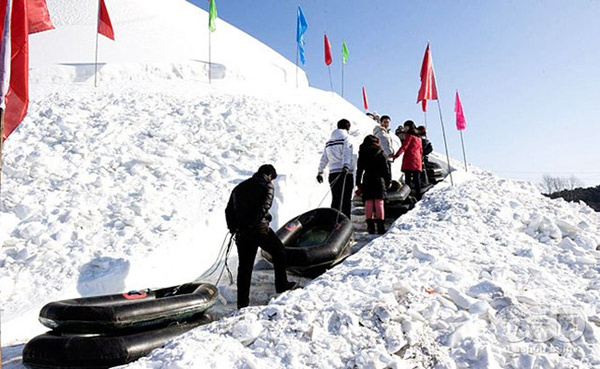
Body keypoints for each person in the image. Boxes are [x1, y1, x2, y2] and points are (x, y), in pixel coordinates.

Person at [225, 164, 295, 309]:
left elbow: (228, 210)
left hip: (242, 233)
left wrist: (234, 227)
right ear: (270, 175)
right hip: (259, 229)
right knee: (279, 251)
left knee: (244, 267)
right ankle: (282, 285)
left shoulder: (239, 187)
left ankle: (242, 303)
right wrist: (252, 224)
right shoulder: (267, 186)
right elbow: (264, 207)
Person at [316, 119, 355, 219]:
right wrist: (346, 165)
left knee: (336, 199)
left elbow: (324, 157)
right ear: (348, 127)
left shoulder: (329, 142)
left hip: (333, 173)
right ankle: (345, 223)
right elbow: (347, 153)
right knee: (346, 200)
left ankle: (334, 221)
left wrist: (320, 171)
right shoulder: (346, 138)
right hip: (344, 172)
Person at [356, 135, 391, 234]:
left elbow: (359, 170)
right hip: (379, 179)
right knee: (379, 202)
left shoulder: (362, 153)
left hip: (367, 179)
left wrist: (358, 182)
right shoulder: (381, 153)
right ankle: (381, 227)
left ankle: (370, 227)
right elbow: (386, 169)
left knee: (368, 203)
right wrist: (388, 181)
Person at [392, 120, 423, 198]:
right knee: (417, 179)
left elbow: (404, 147)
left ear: (409, 127)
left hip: (410, 159)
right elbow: (421, 150)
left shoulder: (409, 135)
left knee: (408, 179)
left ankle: (407, 195)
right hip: (417, 160)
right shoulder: (418, 137)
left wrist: (396, 155)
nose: (405, 128)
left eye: (406, 127)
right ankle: (418, 195)